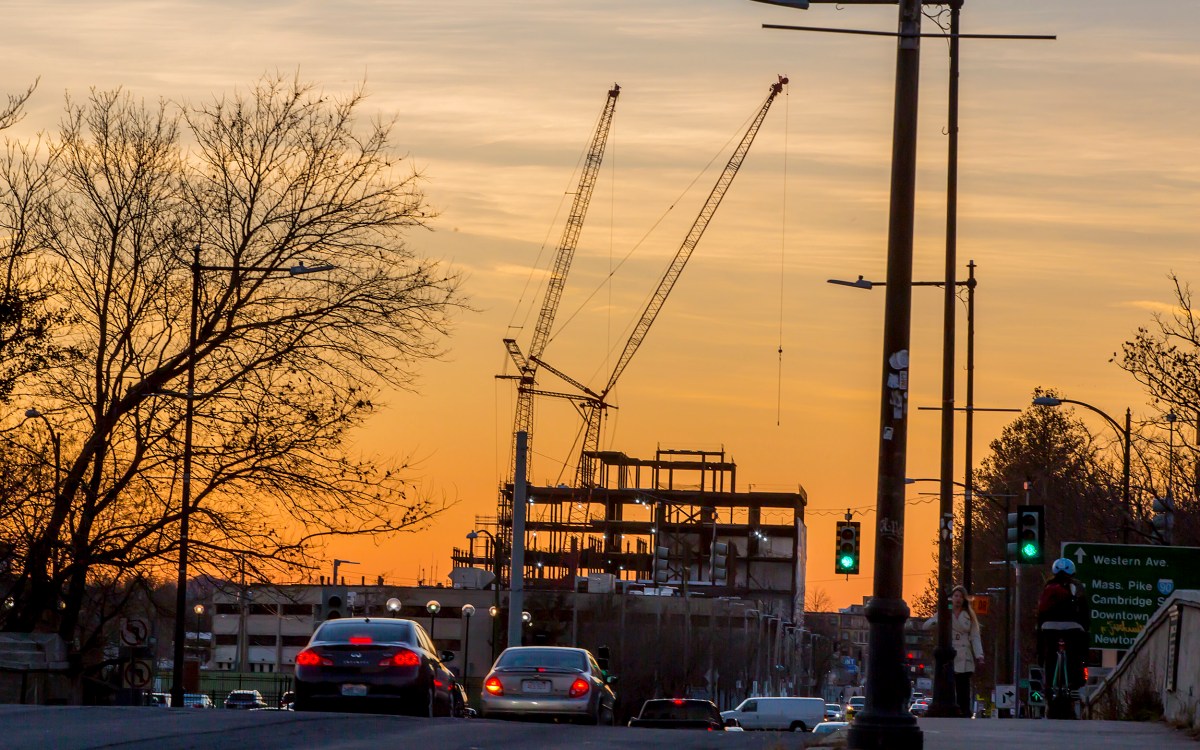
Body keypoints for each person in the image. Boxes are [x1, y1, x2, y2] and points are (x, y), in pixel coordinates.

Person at [922, 584, 985, 717]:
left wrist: (979, 655)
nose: (958, 599)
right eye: (956, 596)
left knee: (963, 686)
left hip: (964, 654)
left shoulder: (969, 615)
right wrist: (936, 622)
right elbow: (926, 625)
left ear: (964, 600)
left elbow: (975, 637)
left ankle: (964, 710)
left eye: (961, 597)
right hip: (950, 654)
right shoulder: (945, 612)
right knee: (949, 684)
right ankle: (952, 708)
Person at [1037, 557, 1090, 713]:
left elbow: (1041, 611)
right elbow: (1085, 610)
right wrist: (1085, 627)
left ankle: (1048, 687)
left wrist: (1039, 629)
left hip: (1049, 627)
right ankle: (1075, 683)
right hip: (1073, 627)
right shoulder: (1077, 586)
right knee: (1076, 654)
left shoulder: (1048, 586)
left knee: (1049, 656)